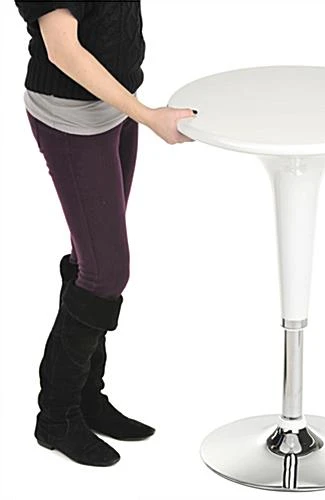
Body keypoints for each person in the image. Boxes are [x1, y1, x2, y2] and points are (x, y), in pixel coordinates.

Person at [14, 1, 196, 467]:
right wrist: (148, 115)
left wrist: (133, 111)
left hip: (113, 109)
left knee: (91, 261)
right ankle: (56, 418)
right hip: (72, 118)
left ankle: (86, 398)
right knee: (105, 273)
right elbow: (62, 50)